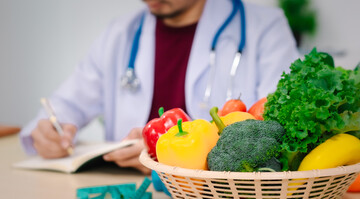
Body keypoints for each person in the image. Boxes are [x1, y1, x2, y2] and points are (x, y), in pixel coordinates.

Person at [20, 0, 299, 175]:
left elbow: (280, 129)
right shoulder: (120, 33)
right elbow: (65, 105)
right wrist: (49, 131)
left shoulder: (264, 29)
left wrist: (166, 161)